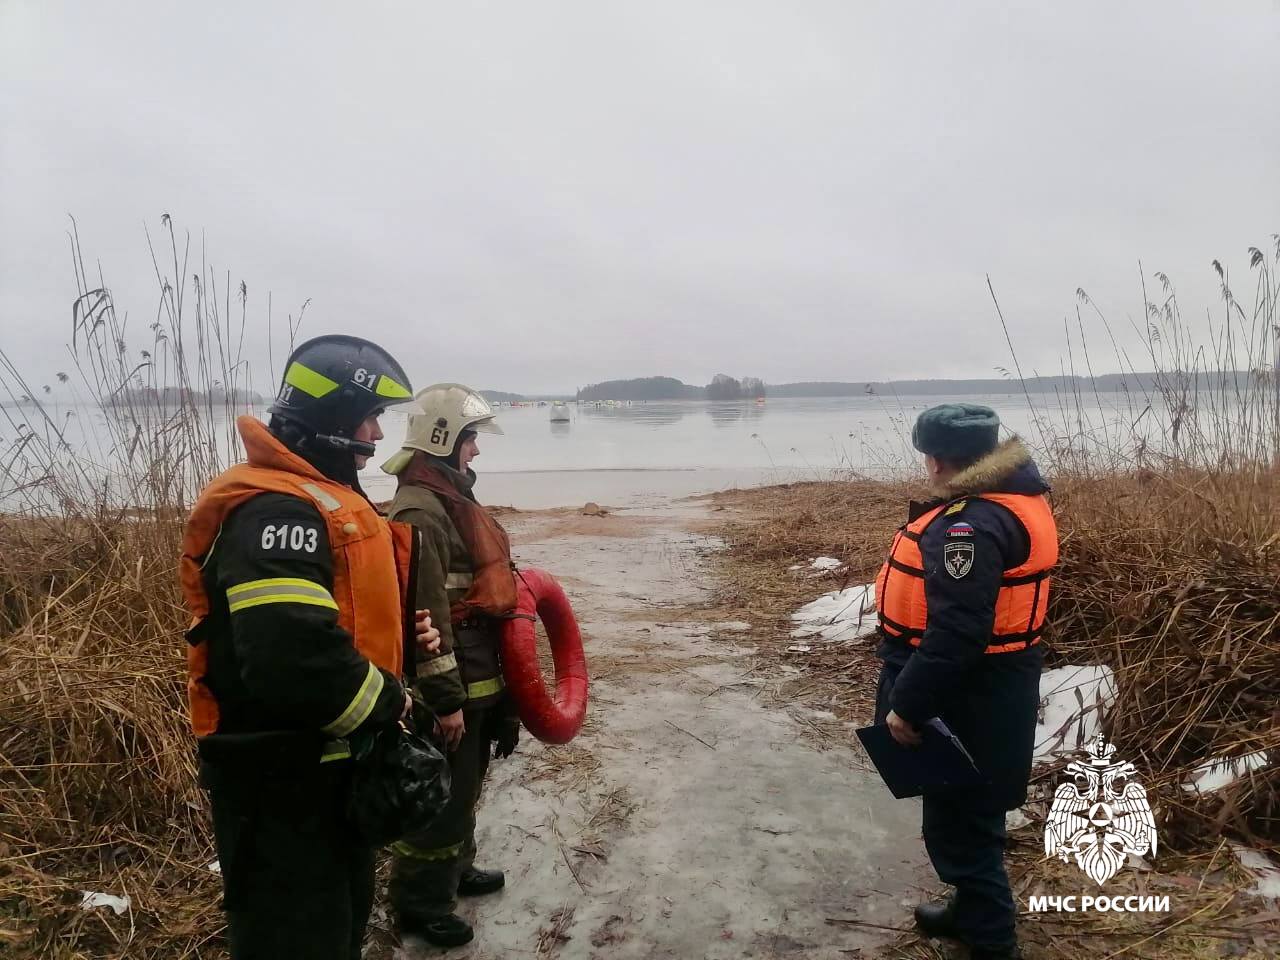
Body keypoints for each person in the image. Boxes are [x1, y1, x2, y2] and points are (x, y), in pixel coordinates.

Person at [178, 335, 442, 960]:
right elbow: (289, 658)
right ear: (333, 418)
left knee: (336, 927)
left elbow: (331, 621)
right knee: (298, 938)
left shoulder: (313, 501)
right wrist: (391, 700)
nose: (378, 435)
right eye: (370, 416)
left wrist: (402, 638)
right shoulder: (275, 510)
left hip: (323, 775)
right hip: (281, 785)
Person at [873, 403, 1058, 960]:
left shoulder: (969, 525)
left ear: (934, 460)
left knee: (962, 823)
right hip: (996, 683)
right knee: (969, 811)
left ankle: (992, 938)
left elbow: (958, 632)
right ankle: (970, 912)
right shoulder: (1016, 499)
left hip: (967, 693)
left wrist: (907, 705)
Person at [381, 383, 521, 948]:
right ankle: (419, 904)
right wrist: (445, 701)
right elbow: (422, 611)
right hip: (451, 678)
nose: (477, 452)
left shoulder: (449, 499)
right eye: (470, 441)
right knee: (441, 797)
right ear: (443, 441)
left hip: (478, 671)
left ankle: (455, 870)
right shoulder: (420, 507)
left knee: (466, 787)